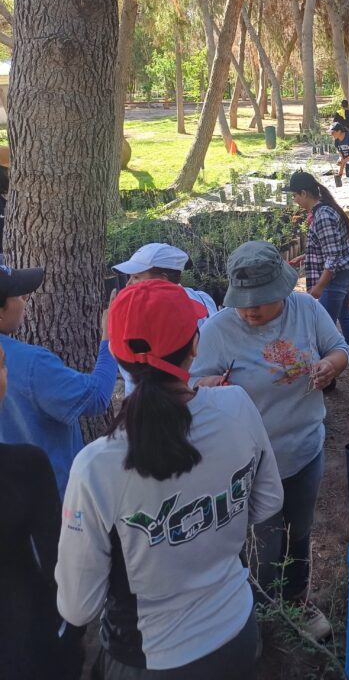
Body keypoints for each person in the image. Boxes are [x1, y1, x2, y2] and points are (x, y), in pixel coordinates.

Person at [56, 280, 283, 678]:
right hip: (236, 631)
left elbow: (78, 607)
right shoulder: (237, 408)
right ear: (195, 345)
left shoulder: (96, 466)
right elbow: (268, 502)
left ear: (116, 354)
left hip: (151, 658)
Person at [190, 241, 349, 641]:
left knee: (298, 532)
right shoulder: (218, 330)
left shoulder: (306, 309)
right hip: (247, 462)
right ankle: (256, 615)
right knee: (261, 542)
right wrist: (207, 386)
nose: (250, 310)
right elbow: (192, 385)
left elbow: (339, 348)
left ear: (282, 288)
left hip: (303, 449)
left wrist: (330, 366)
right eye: (243, 301)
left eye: (260, 300)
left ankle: (296, 599)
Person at [0, 341, 84, 679]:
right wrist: (72, 634)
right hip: (28, 643)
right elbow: (57, 564)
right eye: (2, 365)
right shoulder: (26, 466)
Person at [0, 263, 117, 499]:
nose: (25, 299)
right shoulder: (32, 364)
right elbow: (98, 397)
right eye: (19, 295)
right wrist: (109, 339)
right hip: (52, 503)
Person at [285, 171, 349, 374]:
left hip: (338, 276)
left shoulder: (322, 216)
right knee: (345, 315)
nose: (295, 200)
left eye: (295, 195)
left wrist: (319, 287)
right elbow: (331, 245)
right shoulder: (325, 210)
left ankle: (326, 375)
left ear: (304, 193)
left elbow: (333, 257)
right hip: (348, 271)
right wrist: (305, 256)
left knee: (321, 327)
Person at [113, 242, 218, 395]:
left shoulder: (140, 316)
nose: (128, 284)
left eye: (136, 277)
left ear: (163, 279)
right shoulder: (203, 299)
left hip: (149, 399)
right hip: (200, 394)